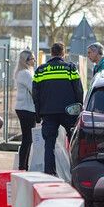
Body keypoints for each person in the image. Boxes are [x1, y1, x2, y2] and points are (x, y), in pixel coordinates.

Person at [33, 42, 84, 176]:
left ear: (51, 53)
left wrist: (38, 114)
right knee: (73, 143)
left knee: (49, 144)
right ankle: (75, 172)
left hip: (48, 112)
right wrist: (79, 108)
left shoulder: (40, 70)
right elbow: (78, 90)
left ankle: (50, 173)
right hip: (69, 112)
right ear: (63, 53)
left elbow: (35, 94)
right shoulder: (70, 68)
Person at [14, 50, 36, 170]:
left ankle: (23, 166)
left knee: (27, 139)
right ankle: (23, 166)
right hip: (26, 109)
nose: (34, 60)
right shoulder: (25, 73)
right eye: (32, 58)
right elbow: (34, 89)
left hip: (24, 108)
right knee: (27, 139)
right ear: (26, 60)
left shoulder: (24, 72)